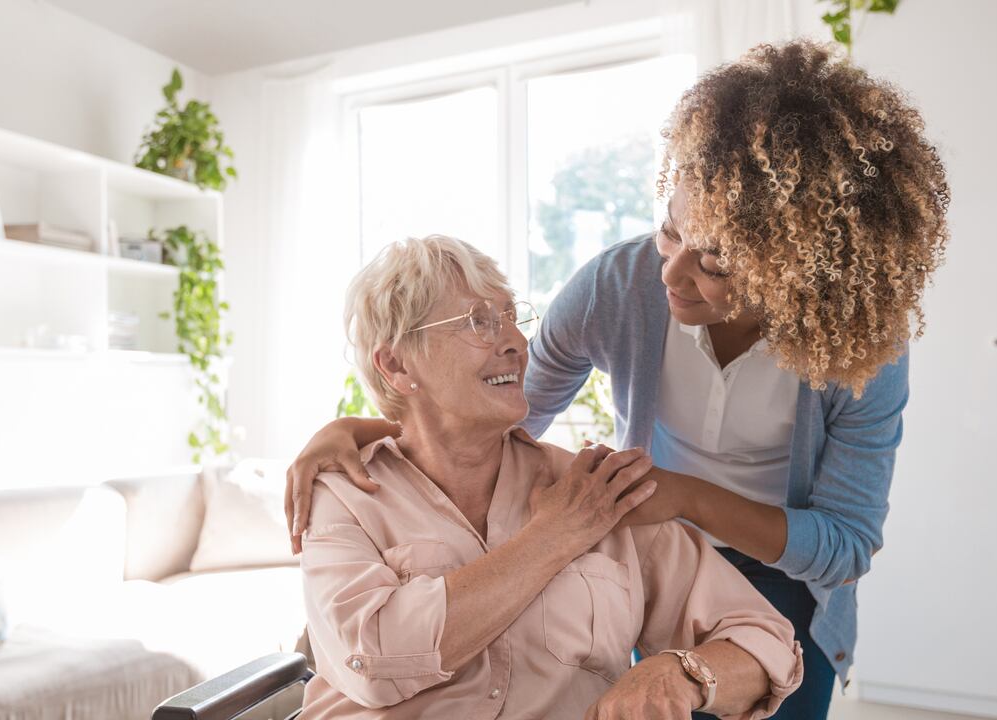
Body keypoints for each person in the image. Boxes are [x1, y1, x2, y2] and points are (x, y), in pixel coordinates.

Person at [289, 40, 949, 719]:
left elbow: (842, 544)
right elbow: (504, 411)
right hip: (650, 528)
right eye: (670, 231)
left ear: (795, 270)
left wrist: (682, 496)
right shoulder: (617, 287)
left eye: (715, 262)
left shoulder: (860, 348)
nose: (671, 272)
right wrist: (361, 429)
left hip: (779, 567)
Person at [298, 234, 803, 719]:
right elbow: (374, 662)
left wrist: (682, 673)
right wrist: (552, 538)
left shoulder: (595, 490)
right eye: (478, 322)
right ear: (395, 364)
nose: (517, 342)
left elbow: (768, 643)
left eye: (511, 318)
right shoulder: (343, 493)